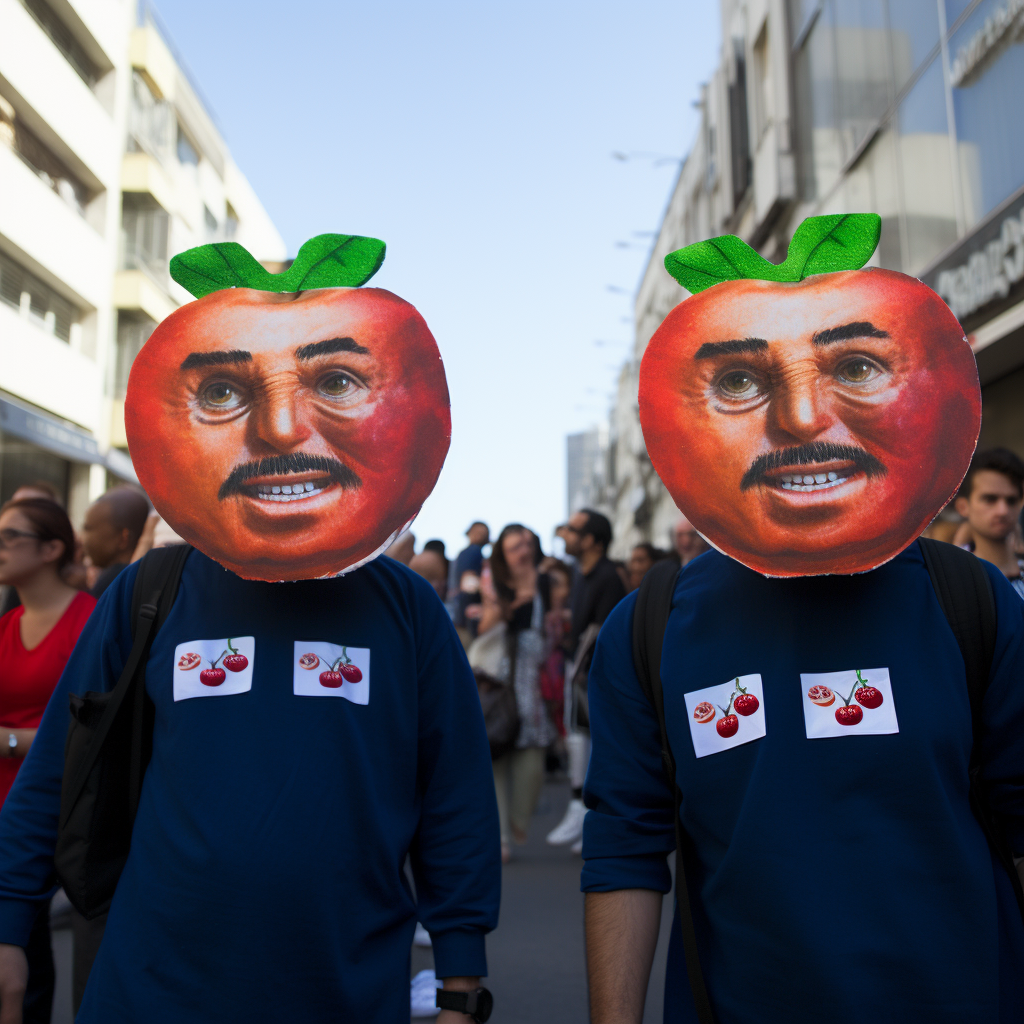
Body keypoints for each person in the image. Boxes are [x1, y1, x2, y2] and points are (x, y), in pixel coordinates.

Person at [0, 233, 498, 1024]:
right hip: (147, 992)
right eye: (229, 392)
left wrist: (461, 981)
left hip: (347, 993)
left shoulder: (408, 614)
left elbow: (455, 804)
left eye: (334, 380)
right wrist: (7, 929)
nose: (279, 430)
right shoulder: (150, 593)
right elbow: (59, 770)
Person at [583, 216, 1023, 1024]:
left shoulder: (975, 606)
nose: (799, 418)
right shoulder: (645, 631)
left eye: (854, 367)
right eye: (742, 384)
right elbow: (624, 851)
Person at [0, 498, 95, 1024]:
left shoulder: (90, 620)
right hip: (4, 804)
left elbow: (90, 733)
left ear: (52, 548)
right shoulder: (8, 622)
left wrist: (10, 741)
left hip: (52, 813)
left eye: (10, 535)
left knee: (29, 968)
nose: (0, 547)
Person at [547, 509, 626, 850]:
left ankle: (590, 813)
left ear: (592, 540)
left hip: (594, 674)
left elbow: (606, 633)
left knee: (594, 743)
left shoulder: (609, 577)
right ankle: (580, 809)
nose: (565, 533)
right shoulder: (582, 575)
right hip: (577, 671)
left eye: (573, 529)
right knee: (580, 742)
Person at [478, 524, 557, 863]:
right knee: (495, 751)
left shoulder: (545, 580)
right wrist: (504, 606)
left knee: (533, 757)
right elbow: (481, 628)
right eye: (515, 547)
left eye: (527, 543)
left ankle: (518, 820)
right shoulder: (490, 581)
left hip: (530, 676)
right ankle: (499, 838)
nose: (524, 550)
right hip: (497, 676)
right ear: (502, 555)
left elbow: (549, 626)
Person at [954, 447, 1024, 598]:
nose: (1003, 510)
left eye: (1011, 500)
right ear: (963, 507)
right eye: (990, 499)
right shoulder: (950, 577)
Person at [81, 487, 150, 598]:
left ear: (123, 538)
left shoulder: (113, 580)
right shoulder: (141, 577)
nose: (81, 538)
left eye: (88, 529)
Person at [449, 522, 490, 640]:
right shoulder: (474, 551)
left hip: (459, 612)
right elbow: (469, 584)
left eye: (483, 533)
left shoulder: (463, 553)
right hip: (468, 614)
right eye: (478, 532)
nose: (481, 535)